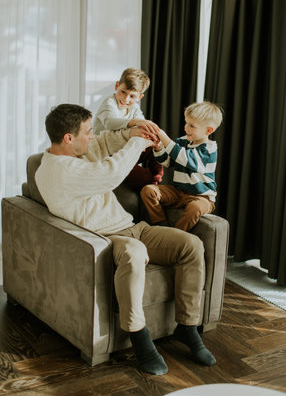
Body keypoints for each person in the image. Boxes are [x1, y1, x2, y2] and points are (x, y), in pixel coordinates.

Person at [35, 103, 216, 376]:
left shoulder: (79, 151)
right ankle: (139, 338)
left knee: (191, 245)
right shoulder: (58, 170)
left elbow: (106, 140)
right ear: (68, 138)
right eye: (88, 131)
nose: (93, 136)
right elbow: (109, 174)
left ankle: (187, 327)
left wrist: (133, 130)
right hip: (103, 239)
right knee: (133, 251)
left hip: (132, 228)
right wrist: (138, 143)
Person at [140, 101, 223, 232]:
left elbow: (186, 158)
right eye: (186, 123)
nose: (186, 128)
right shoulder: (182, 142)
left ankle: (176, 234)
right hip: (178, 192)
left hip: (201, 197)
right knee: (148, 191)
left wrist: (165, 138)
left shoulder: (209, 149)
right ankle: (162, 226)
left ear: (208, 130)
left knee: (195, 207)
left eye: (192, 126)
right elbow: (166, 161)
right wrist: (159, 147)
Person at [93, 68, 163, 191]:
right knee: (145, 178)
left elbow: (142, 125)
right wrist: (135, 122)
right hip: (107, 152)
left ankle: (157, 179)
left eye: (132, 96)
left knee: (155, 147)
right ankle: (151, 183)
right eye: (123, 92)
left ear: (140, 96)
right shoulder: (109, 103)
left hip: (125, 149)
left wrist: (150, 134)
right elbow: (110, 122)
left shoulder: (134, 108)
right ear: (116, 86)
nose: (126, 99)